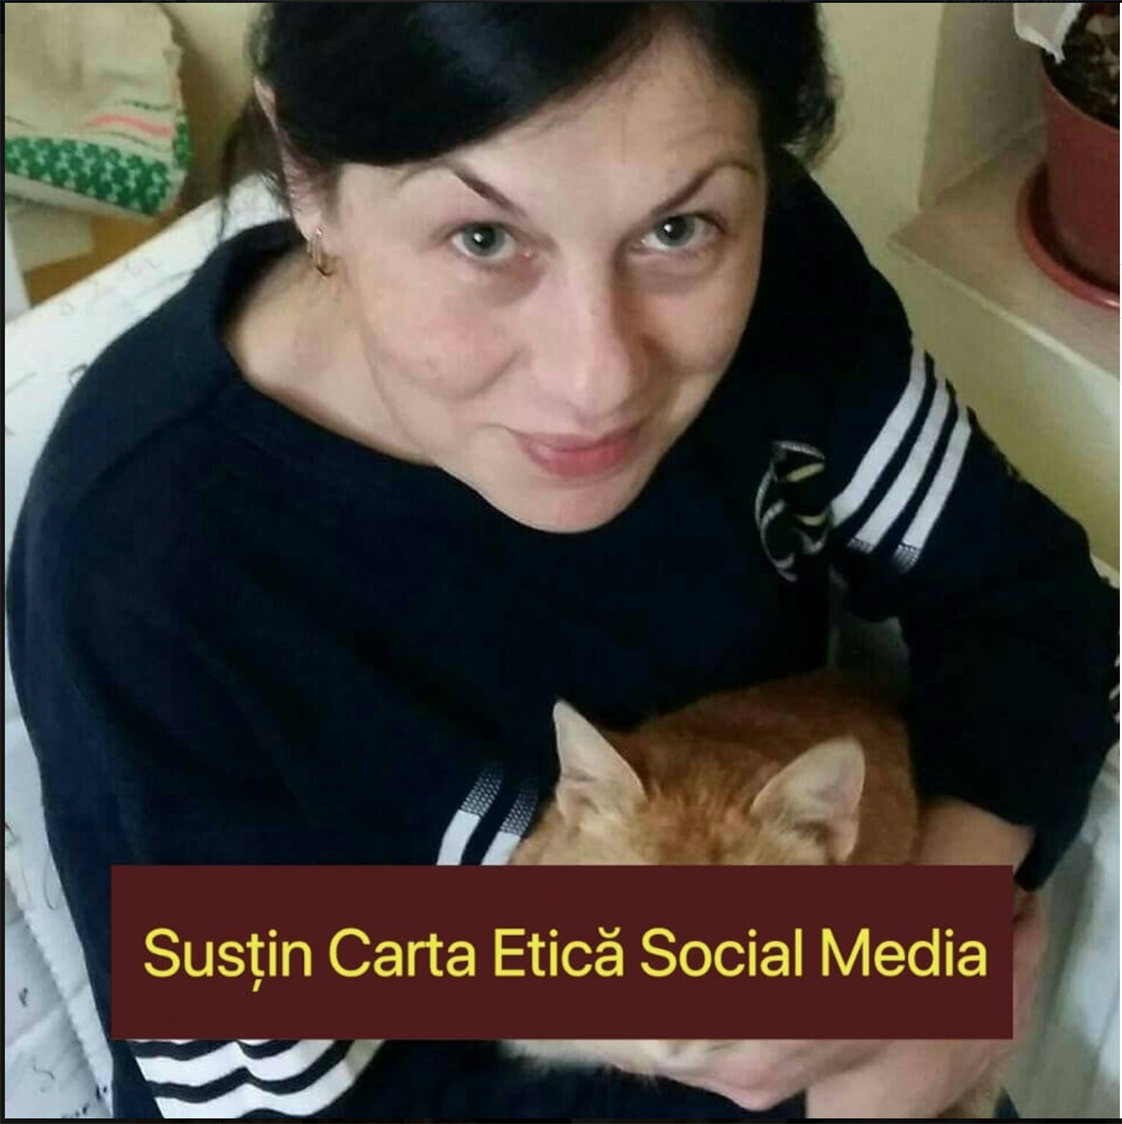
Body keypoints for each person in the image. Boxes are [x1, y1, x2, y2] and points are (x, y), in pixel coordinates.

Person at [6, 3, 1117, 1118]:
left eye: (677, 229)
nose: (596, 381)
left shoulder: (784, 285)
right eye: (484, 238)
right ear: (305, 172)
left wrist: (929, 953)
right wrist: (845, 1097)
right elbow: (270, 1099)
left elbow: (1034, 603)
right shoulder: (149, 569)